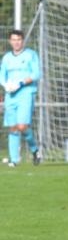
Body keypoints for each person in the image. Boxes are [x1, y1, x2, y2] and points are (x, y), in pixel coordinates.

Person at [0, 29, 42, 167]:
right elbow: (2, 75)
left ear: (22, 41)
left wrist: (21, 83)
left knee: (22, 126)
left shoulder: (31, 55)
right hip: (10, 96)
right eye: (13, 40)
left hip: (26, 93)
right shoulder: (6, 58)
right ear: (10, 41)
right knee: (12, 127)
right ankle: (14, 160)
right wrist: (6, 85)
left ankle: (35, 150)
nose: (16, 42)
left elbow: (36, 74)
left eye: (18, 40)